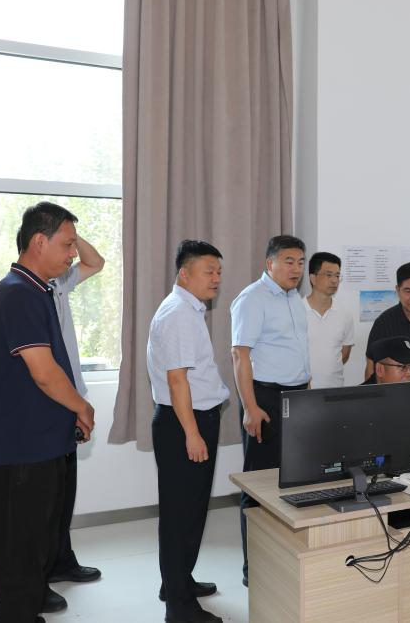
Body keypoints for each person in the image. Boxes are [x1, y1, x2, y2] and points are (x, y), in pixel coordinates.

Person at [0, 202, 95, 623]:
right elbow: (44, 373)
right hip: (21, 451)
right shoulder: (18, 293)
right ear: (38, 242)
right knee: (20, 551)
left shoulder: (38, 290)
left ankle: (28, 612)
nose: (72, 254)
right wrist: (82, 405)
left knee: (36, 546)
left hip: (41, 445)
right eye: (67, 244)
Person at [148, 240, 230, 623]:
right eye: (208, 271)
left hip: (190, 419)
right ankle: (179, 609)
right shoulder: (180, 313)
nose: (216, 278)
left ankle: (177, 582)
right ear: (185, 273)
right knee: (181, 515)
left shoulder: (188, 308)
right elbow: (177, 380)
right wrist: (192, 434)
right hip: (184, 423)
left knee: (190, 510)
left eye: (219, 272)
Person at [231, 235, 311, 587]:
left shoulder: (294, 299)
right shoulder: (252, 299)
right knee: (259, 483)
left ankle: (283, 555)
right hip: (265, 398)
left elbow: (298, 350)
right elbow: (240, 356)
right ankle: (254, 567)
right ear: (270, 263)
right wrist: (250, 407)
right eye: (289, 261)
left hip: (297, 396)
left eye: (301, 262)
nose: (297, 269)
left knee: (293, 477)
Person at [43, 231, 105, 608]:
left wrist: (74, 236)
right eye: (63, 245)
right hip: (54, 397)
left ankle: (62, 560)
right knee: (48, 494)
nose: (70, 254)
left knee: (65, 488)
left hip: (71, 395)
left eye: (70, 247)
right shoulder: (29, 292)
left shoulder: (60, 282)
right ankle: (43, 571)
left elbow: (96, 262)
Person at [304, 252, 355, 388]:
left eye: (337, 276)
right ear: (313, 278)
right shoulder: (297, 311)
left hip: (335, 389)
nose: (334, 280)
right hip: (303, 390)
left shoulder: (345, 314)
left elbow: (344, 354)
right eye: (328, 275)